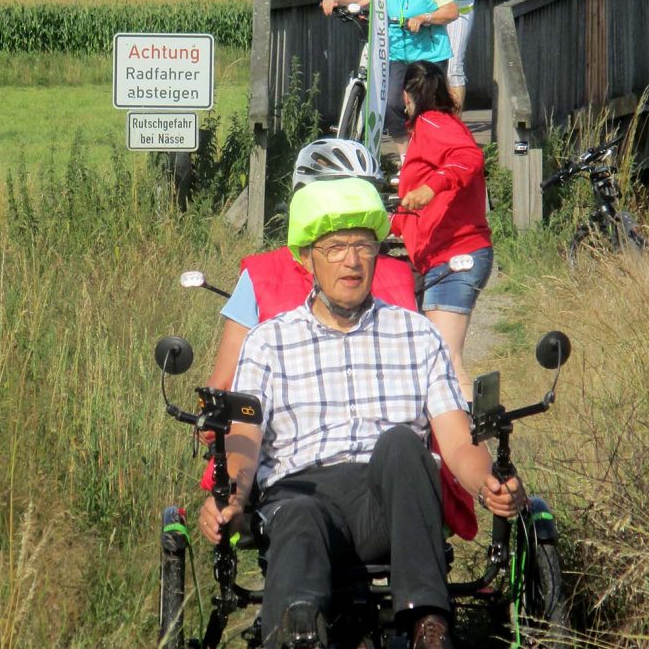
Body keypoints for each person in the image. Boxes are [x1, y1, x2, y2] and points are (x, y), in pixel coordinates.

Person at [197, 178, 526, 649]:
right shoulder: (268, 342)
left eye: (363, 246)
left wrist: (488, 484)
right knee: (299, 515)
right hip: (300, 496)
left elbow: (455, 440)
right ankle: (300, 632)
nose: (351, 261)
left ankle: (428, 625)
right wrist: (233, 494)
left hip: (387, 501)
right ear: (307, 258)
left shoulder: (416, 334)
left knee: (400, 442)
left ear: (377, 252)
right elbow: (244, 439)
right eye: (334, 248)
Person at [203, 138, 480, 542]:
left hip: (380, 466)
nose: (350, 257)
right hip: (296, 467)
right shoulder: (387, 274)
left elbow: (415, 367)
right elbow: (231, 394)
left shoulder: (270, 276)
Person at [392, 61, 492, 402]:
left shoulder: (432, 122)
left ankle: (469, 446)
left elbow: (469, 158)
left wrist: (432, 187)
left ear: (407, 95)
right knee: (433, 361)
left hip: (456, 255)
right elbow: (413, 208)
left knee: (447, 361)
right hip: (439, 258)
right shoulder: (431, 127)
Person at [320, 0, 459, 149]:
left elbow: (451, 11)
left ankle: (436, 151)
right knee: (392, 103)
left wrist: (425, 17)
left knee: (426, 108)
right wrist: (334, 0)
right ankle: (405, 157)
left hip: (428, 54)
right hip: (397, 52)